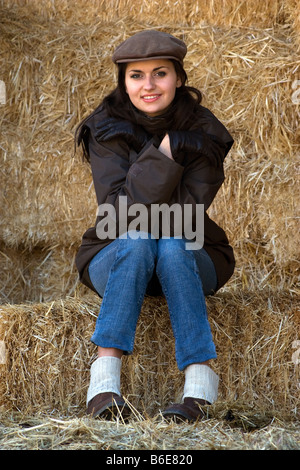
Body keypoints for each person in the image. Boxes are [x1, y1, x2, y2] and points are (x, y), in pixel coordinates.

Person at [75, 30, 235, 422]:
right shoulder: (106, 127)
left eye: (159, 73)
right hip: (114, 253)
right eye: (135, 75)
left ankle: (198, 390)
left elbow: (185, 216)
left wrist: (162, 149)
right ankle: (104, 388)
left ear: (178, 78)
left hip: (193, 254)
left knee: (172, 243)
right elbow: (119, 213)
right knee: (139, 237)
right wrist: (162, 151)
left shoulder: (204, 133)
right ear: (123, 81)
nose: (148, 85)